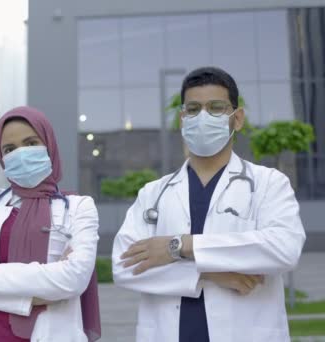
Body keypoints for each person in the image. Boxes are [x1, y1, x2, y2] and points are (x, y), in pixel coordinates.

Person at [112, 67, 306, 342]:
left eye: (216, 108)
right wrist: (208, 274)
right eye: (193, 109)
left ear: (237, 119)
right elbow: (124, 266)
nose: (203, 117)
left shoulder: (269, 183)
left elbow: (284, 249)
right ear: (182, 119)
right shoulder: (153, 193)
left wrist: (180, 246)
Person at [0, 106, 101, 341]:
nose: (21, 154)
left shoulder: (78, 207)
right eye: (10, 149)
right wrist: (30, 299)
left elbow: (74, 279)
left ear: (49, 144)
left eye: (30, 143)